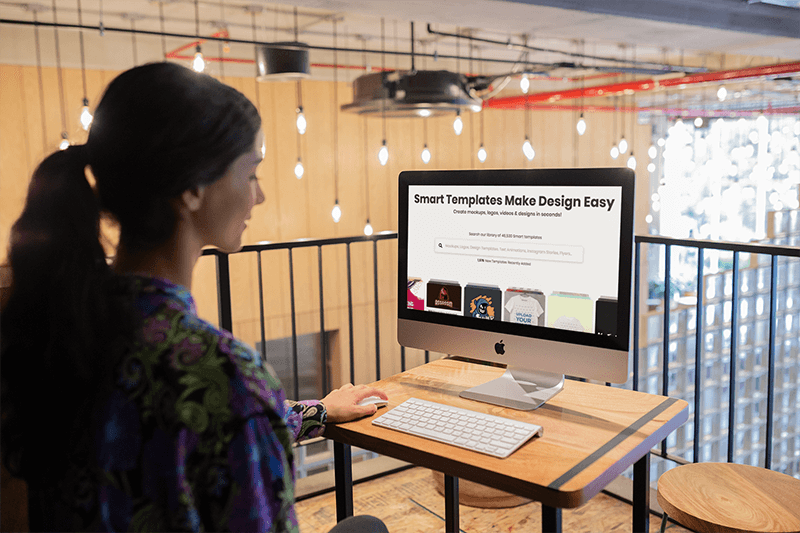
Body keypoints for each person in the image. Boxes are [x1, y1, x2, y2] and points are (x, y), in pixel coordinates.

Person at [0, 62, 389, 532]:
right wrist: (264, 408)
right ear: (191, 189)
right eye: (251, 173)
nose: (258, 197)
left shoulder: (54, 329)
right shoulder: (227, 377)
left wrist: (318, 413)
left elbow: (173, 430)